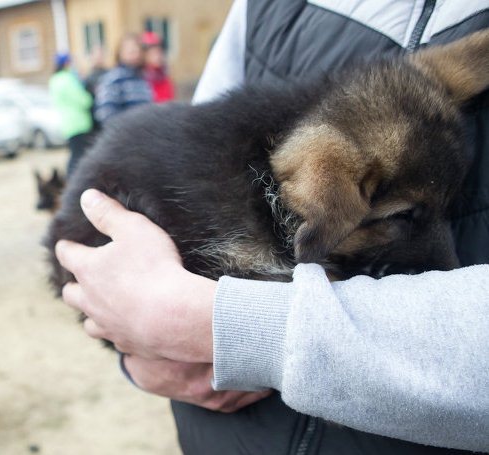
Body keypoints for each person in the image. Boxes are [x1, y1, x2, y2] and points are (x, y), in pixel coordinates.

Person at [55, 1, 489, 454]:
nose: (446, 263)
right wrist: (139, 350)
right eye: (403, 218)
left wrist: (232, 329)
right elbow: (120, 280)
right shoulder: (265, 7)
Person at [48, 53, 93, 176]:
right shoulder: (67, 79)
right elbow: (83, 100)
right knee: (78, 155)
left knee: (74, 152)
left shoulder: (54, 80)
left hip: (68, 124)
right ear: (67, 63)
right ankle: (73, 180)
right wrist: (90, 97)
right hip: (79, 122)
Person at [93, 33, 153, 125]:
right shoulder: (113, 78)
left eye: (137, 49)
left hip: (143, 134)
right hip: (124, 135)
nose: (135, 53)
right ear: (120, 53)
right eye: (131, 50)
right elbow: (105, 113)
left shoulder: (142, 79)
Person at [140, 31, 175, 103]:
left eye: (159, 52)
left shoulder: (164, 76)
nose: (158, 57)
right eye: (153, 53)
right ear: (144, 55)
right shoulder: (140, 78)